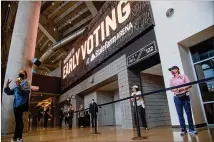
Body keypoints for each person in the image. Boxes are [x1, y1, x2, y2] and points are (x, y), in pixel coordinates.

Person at [169, 66, 198, 136]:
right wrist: (176, 90)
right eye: (171, 70)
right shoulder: (171, 79)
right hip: (177, 97)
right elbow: (171, 89)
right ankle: (183, 130)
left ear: (177, 70)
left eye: (173, 69)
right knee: (180, 114)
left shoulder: (183, 76)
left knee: (188, 113)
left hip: (185, 95)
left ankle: (191, 129)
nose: (172, 71)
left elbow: (190, 85)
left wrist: (182, 88)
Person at [4, 69, 30, 142]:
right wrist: (7, 85)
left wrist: (19, 86)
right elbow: (9, 92)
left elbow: (26, 92)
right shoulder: (17, 83)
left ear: (25, 75)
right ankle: (17, 138)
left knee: (19, 122)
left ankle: (18, 138)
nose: (20, 75)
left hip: (21, 104)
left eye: (22, 74)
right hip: (16, 105)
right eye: (20, 73)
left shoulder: (25, 83)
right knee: (18, 122)